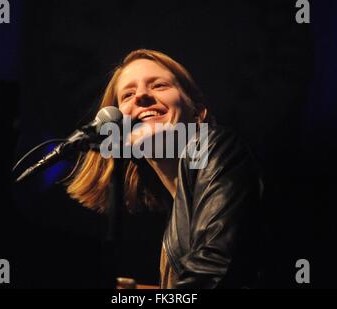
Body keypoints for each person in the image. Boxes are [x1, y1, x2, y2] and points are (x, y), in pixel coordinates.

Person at [66, 49, 263, 288]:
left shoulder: (213, 144)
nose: (141, 96)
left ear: (197, 113)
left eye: (159, 86)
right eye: (127, 95)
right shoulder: (178, 209)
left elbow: (213, 273)